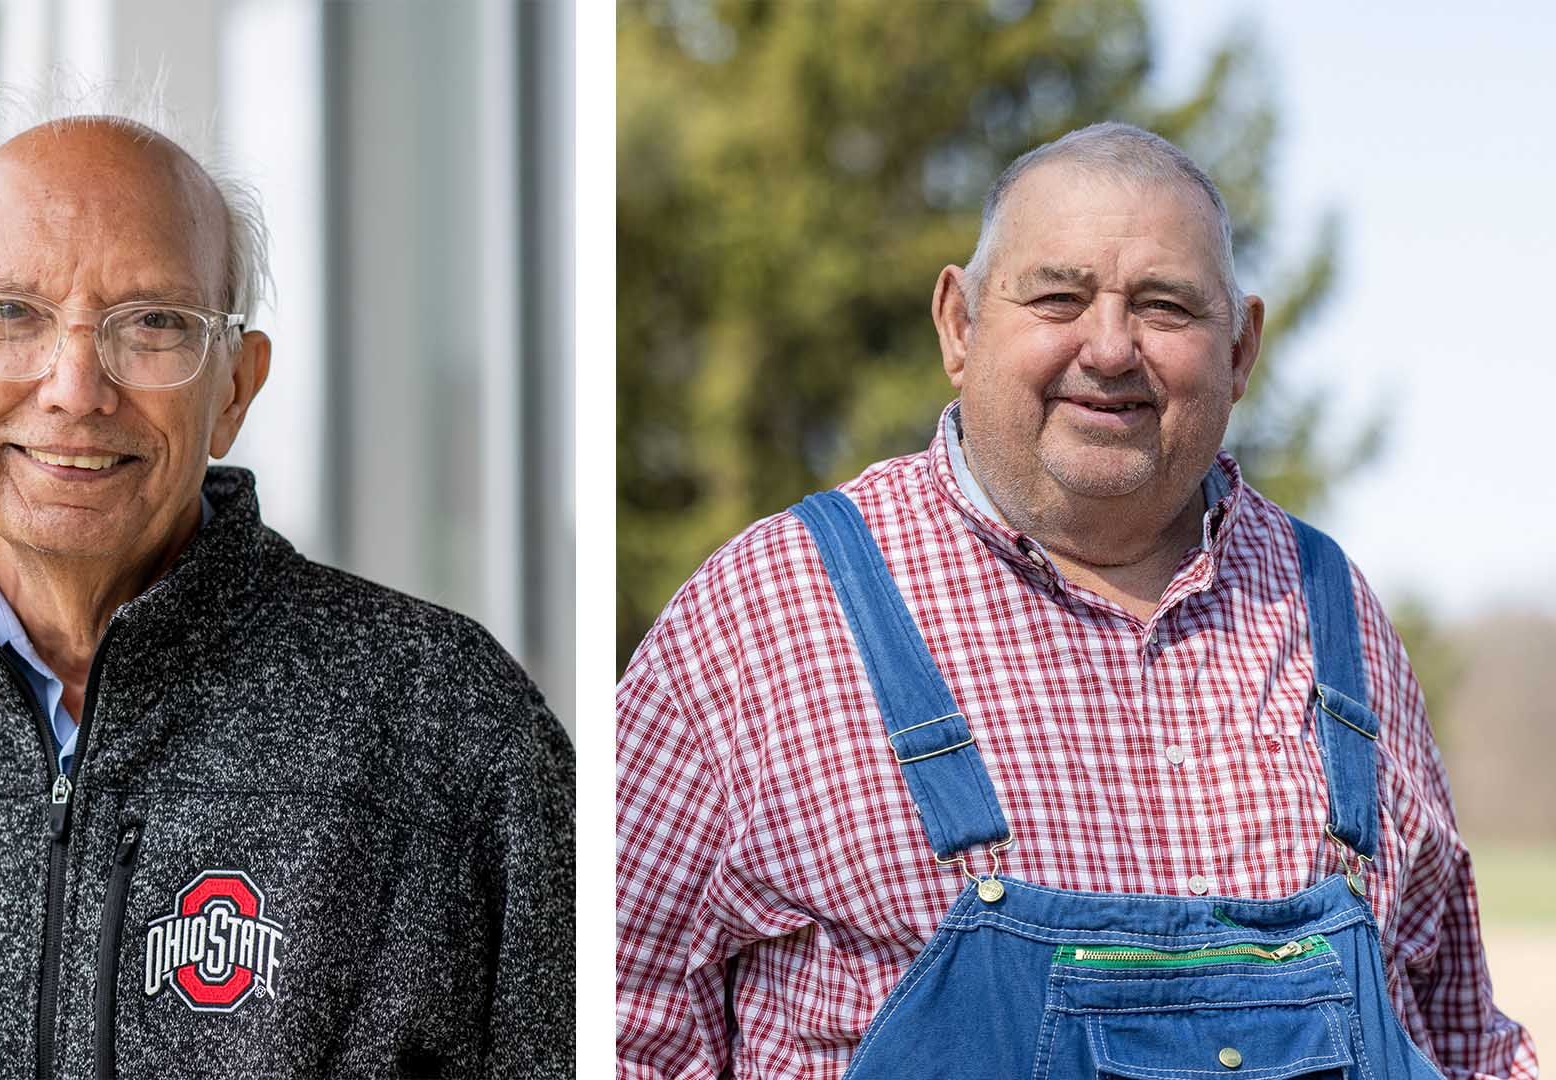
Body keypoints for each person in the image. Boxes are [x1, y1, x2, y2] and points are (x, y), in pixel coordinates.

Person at [616, 123, 1536, 1079]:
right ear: (959, 325)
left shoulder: (1331, 608)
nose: (1108, 349)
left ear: (1239, 349)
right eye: (1057, 297)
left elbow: (1459, 1039)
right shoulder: (766, 613)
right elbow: (615, 1026)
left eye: (1164, 307)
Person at [0, 107, 573, 1079]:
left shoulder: (448, 727)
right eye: (8, 315)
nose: (76, 386)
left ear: (236, 390)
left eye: (153, 322)